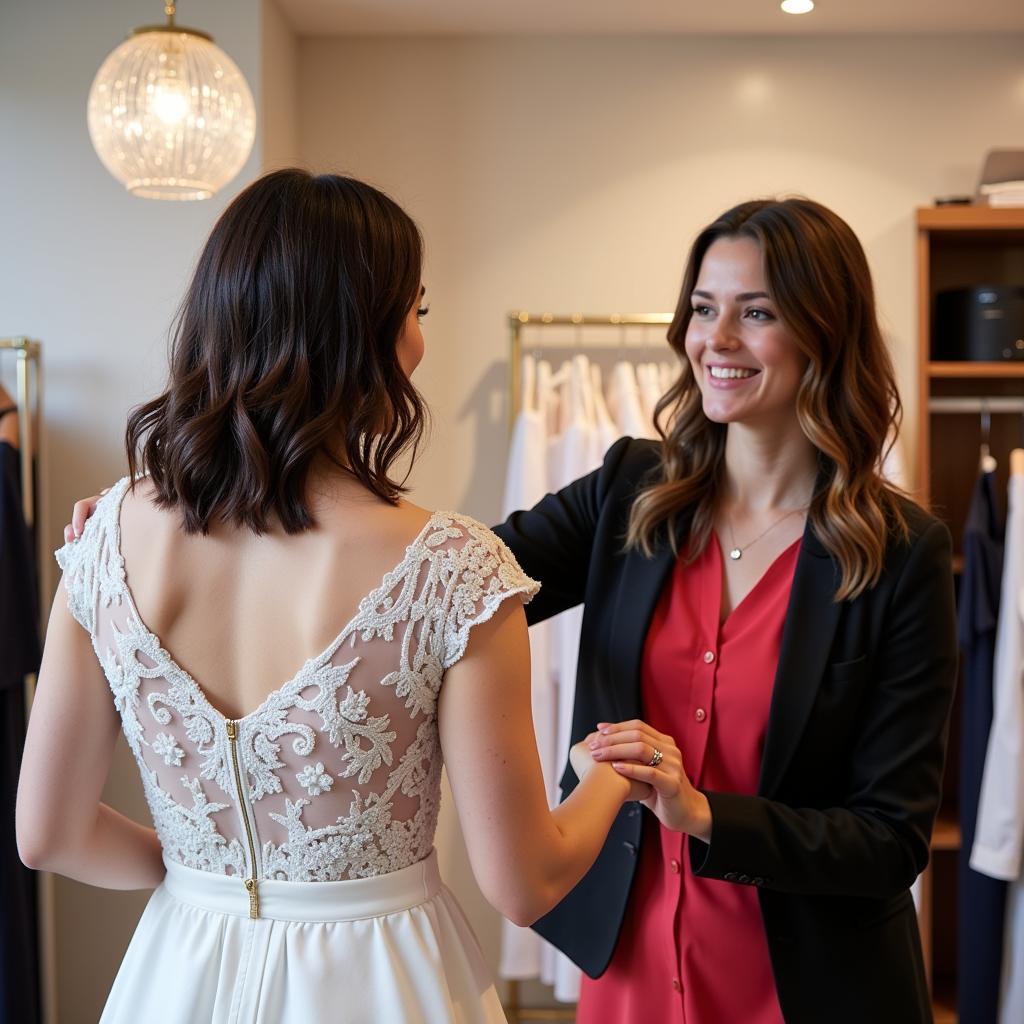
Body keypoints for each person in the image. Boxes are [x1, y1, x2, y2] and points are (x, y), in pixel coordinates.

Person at [16, 169, 642, 1024]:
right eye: (415, 310)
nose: (420, 338)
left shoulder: (102, 542)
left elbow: (48, 834)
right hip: (383, 976)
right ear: (368, 331)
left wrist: (210, 873)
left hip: (179, 968)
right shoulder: (455, 569)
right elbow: (524, 882)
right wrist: (610, 774)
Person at [489, 199, 958, 1023]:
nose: (717, 340)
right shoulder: (628, 492)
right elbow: (457, 588)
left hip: (806, 987)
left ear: (826, 332)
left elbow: (891, 841)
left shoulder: (900, 551)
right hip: (630, 971)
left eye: (758, 313)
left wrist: (701, 812)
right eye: (705, 310)